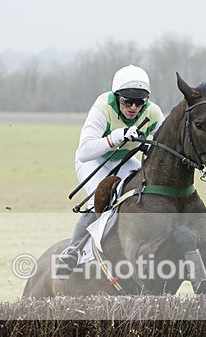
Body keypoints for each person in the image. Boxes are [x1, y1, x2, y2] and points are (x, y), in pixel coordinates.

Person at [58, 64, 164, 270]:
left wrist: (147, 144)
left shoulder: (153, 113)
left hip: (123, 160)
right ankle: (73, 250)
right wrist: (114, 138)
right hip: (93, 162)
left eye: (139, 102)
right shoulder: (103, 108)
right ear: (116, 98)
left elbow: (164, 146)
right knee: (102, 196)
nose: (133, 108)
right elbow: (85, 151)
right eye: (127, 101)